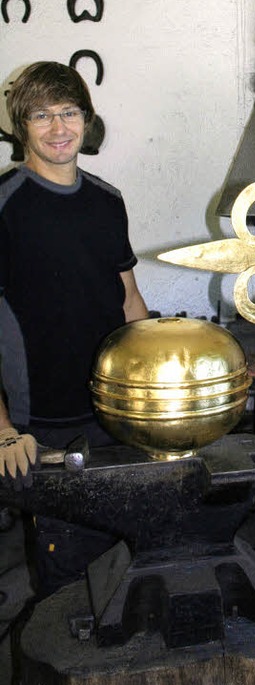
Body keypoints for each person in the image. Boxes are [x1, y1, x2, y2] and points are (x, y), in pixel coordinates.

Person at [0, 61, 148, 597]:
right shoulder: (6, 206)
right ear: (22, 125)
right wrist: (3, 430)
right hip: (38, 426)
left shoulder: (107, 202)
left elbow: (129, 299)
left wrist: (155, 394)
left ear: (86, 120)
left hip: (112, 412)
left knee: (124, 553)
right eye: (42, 115)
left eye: (69, 113)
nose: (59, 128)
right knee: (62, 576)